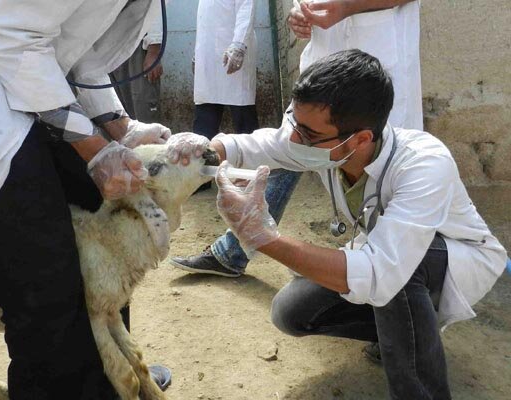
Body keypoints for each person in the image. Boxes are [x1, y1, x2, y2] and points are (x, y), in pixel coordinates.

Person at [166, 49, 508, 399]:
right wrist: (208, 148)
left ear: (360, 139)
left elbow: (381, 270)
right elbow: (258, 144)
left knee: (399, 274)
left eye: (309, 134)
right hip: (388, 261)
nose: (295, 140)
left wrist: (262, 237)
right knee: (292, 311)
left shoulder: (424, 164)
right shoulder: (321, 141)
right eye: (295, 124)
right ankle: (398, 331)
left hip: (450, 264)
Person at [0, 0, 172, 398]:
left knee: (93, 230)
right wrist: (94, 147)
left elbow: (74, 50)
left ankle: (108, 375)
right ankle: (69, 380)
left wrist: (119, 128)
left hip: (9, 81)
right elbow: (9, 36)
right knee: (46, 291)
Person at [171, 0, 422, 274]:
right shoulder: (306, 133)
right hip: (325, 67)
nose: (296, 137)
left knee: (384, 212)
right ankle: (235, 249)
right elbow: (277, 145)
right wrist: (212, 149)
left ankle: (393, 263)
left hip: (371, 71)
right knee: (299, 146)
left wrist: (346, 7)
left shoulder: (418, 164)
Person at [192, 0, 259, 191]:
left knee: (243, 118)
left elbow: (246, 9)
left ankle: (251, 175)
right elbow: (206, 20)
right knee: (204, 119)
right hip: (209, 56)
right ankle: (199, 178)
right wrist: (198, 53)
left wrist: (239, 44)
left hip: (232, 50)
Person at [111, 15, 164, 123]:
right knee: (116, 111)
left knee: (143, 110)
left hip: (138, 39)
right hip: (109, 44)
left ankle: (149, 139)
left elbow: (156, 6)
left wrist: (154, 50)